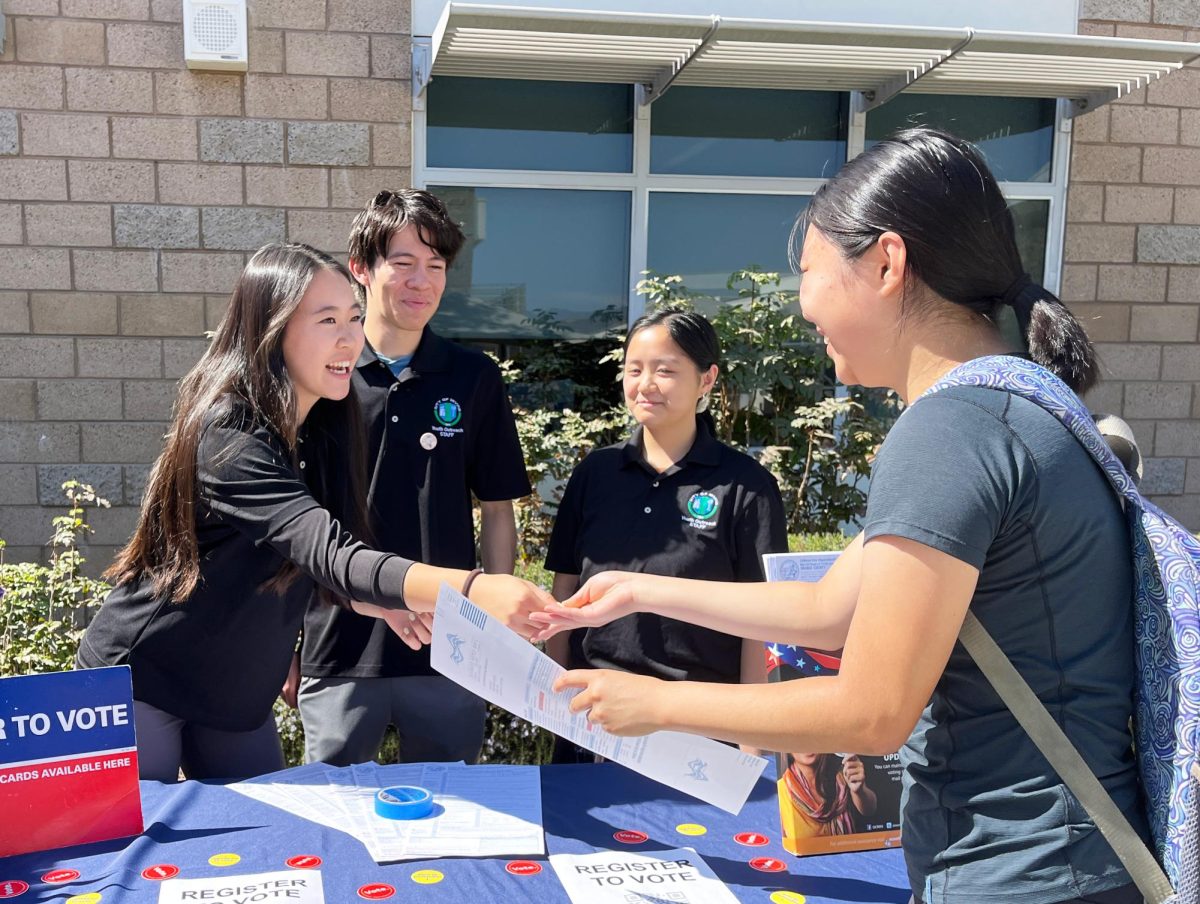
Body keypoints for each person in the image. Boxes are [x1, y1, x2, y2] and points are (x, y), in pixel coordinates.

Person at [533, 127, 1146, 904]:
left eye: (810, 270)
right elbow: (827, 609)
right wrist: (640, 589)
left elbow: (872, 711)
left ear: (886, 263)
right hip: (1069, 859)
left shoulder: (950, 431)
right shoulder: (1013, 403)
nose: (803, 304)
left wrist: (654, 705)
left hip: (1023, 871)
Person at [76, 243, 552, 783]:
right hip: (143, 680)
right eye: (327, 320)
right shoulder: (229, 433)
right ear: (271, 330)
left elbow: (313, 565)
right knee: (139, 856)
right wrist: (472, 590)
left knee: (265, 851)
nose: (349, 337)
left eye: (353, 317)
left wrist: (378, 603)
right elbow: (327, 550)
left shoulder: (322, 427)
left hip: (237, 693)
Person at [289, 190, 531, 768]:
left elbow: (497, 509)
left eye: (436, 266)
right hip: (338, 644)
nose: (421, 281)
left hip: (451, 648)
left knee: (458, 817)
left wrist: (490, 623)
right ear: (361, 270)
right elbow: (287, 525)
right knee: (334, 817)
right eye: (403, 263)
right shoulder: (321, 378)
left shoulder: (473, 378)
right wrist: (281, 645)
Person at [544, 307, 787, 761]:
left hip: (700, 728)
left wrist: (752, 749)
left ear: (707, 380)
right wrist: (555, 703)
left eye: (666, 371)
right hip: (594, 720)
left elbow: (763, 623)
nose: (646, 384)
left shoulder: (746, 487)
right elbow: (565, 592)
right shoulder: (595, 474)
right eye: (634, 369)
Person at [782, 752, 876, 837]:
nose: (807, 745)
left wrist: (859, 790)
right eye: (799, 739)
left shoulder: (842, 776)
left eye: (812, 736)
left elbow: (870, 810)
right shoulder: (783, 790)